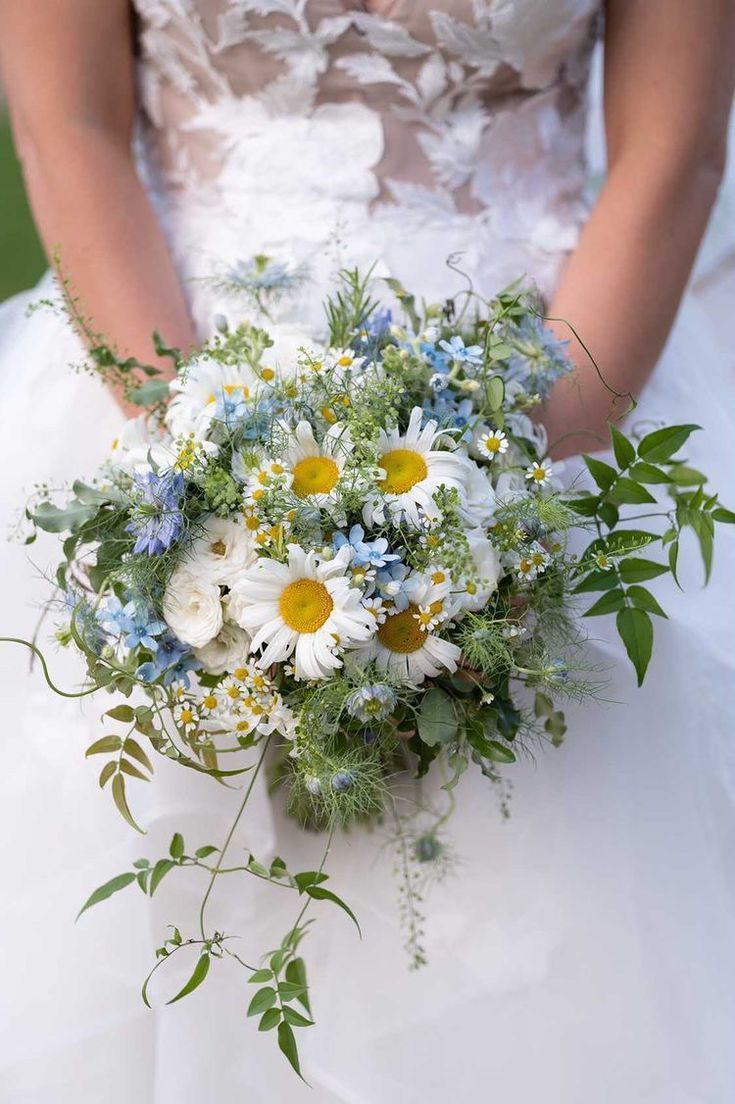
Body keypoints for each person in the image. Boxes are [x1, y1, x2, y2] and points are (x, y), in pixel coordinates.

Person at [0, 3, 733, 1101]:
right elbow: (69, 122)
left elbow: (671, 145)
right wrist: (209, 480)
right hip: (155, 390)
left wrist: (500, 505)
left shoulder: (530, 463)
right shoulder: (184, 451)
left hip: (552, 394)